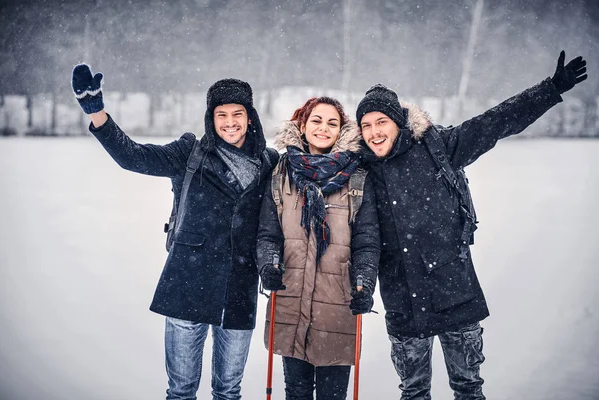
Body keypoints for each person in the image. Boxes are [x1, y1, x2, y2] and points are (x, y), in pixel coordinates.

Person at [355, 51, 587, 399]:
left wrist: (551, 89)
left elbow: (495, 122)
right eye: (366, 125)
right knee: (413, 392)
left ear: (398, 122)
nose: (373, 133)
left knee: (468, 388)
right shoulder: (360, 171)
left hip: (454, 290)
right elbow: (363, 237)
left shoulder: (437, 146)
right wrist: (361, 286)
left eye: (380, 122)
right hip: (403, 299)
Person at [71, 64, 279, 400]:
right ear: (210, 119)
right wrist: (98, 114)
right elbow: (133, 156)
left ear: (250, 117)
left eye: (237, 113)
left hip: (238, 288)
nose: (229, 122)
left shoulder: (269, 163)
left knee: (228, 391)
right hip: (187, 283)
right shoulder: (189, 152)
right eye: (221, 114)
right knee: (181, 390)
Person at [256, 97, 380, 399]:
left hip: (337, 302)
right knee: (296, 392)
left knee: (332, 395)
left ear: (341, 131)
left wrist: (363, 282)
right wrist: (269, 264)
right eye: (316, 120)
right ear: (302, 124)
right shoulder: (281, 172)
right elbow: (268, 233)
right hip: (290, 298)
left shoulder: (357, 178)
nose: (323, 128)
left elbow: (366, 240)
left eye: (332, 123)